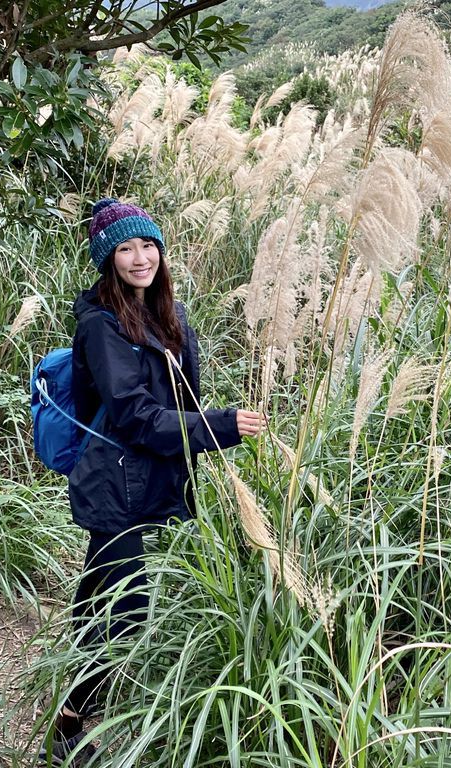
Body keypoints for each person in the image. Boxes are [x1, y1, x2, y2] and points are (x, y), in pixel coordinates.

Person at [39, 198, 267, 766]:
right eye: (125, 249)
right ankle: (72, 720)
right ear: (107, 259)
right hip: (115, 482)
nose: (140, 258)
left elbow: (183, 397)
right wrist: (221, 427)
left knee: (104, 595)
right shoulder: (100, 324)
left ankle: (81, 702)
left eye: (147, 245)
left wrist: (207, 430)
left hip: (160, 476)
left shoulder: (172, 314)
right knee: (123, 607)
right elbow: (135, 415)